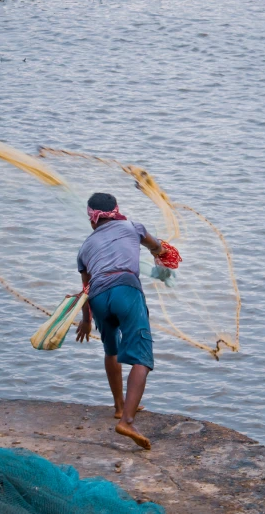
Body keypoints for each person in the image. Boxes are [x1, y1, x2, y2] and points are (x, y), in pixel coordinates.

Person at [75, 192, 164, 450]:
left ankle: (118, 406)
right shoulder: (132, 226)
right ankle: (127, 420)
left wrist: (86, 320)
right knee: (141, 356)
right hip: (126, 289)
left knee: (111, 347)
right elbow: (156, 246)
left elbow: (86, 288)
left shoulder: (84, 248)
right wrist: (161, 253)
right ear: (118, 211)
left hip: (99, 297)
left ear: (92, 221)